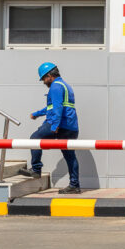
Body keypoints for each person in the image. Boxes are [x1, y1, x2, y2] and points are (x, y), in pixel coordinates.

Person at [17, 62, 81, 193]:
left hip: (60, 125)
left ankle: (36, 169)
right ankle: (75, 185)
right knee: (70, 156)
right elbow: (52, 107)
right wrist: (37, 113)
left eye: (43, 79)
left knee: (35, 138)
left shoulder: (55, 87)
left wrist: (55, 126)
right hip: (71, 127)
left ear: (49, 76)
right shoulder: (65, 85)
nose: (43, 82)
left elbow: (57, 107)